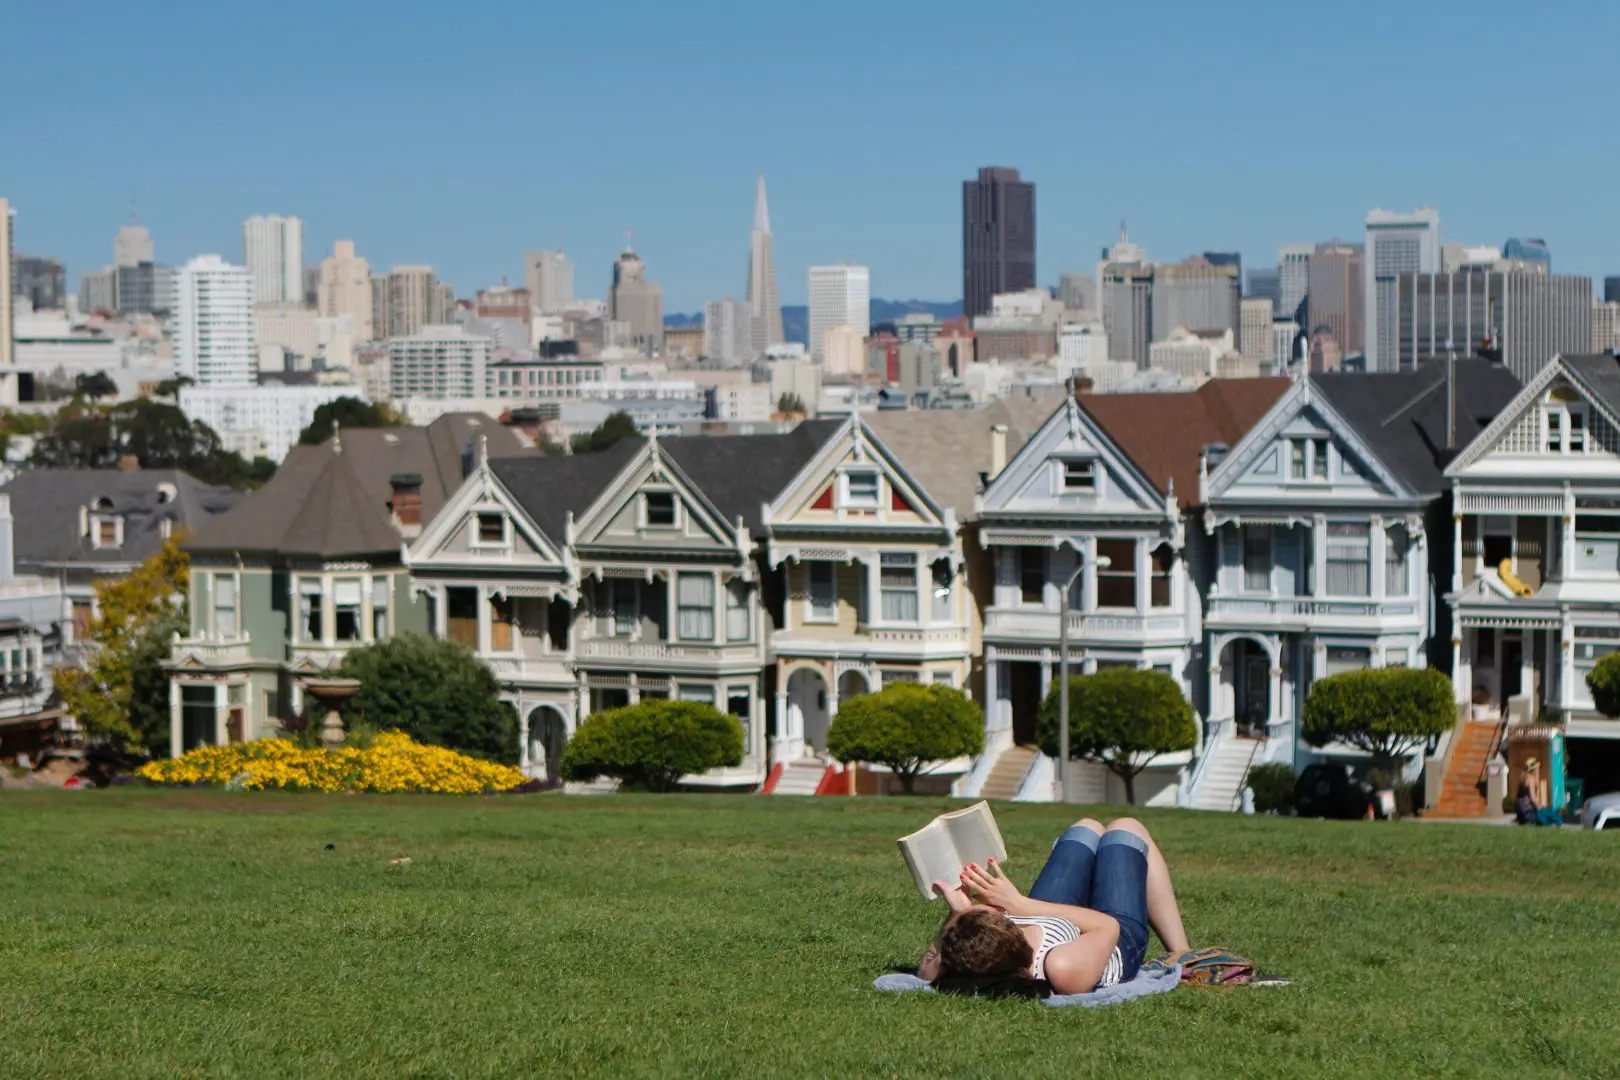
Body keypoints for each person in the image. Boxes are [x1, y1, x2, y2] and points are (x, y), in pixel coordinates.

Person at [917, 817, 1190, 995]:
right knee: (1126, 831)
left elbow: (927, 965)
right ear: (1010, 930)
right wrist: (1020, 904)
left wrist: (956, 913)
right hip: (1113, 940)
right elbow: (1106, 925)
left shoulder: (963, 963)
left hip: (1045, 918)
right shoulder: (1060, 967)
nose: (995, 907)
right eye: (1001, 914)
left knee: (1086, 829)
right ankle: (1183, 952)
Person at [1515, 758, 1562, 827]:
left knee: (1546, 810)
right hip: (1528, 812)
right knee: (1552, 813)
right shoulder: (1531, 779)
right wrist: (1540, 806)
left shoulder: (1523, 777)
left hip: (1520, 812)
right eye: (1537, 768)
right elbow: (1533, 797)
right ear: (1534, 769)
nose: (1538, 769)